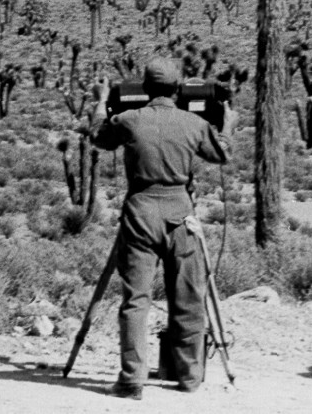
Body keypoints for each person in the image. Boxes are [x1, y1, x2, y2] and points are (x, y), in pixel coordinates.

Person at [91, 57, 236, 399]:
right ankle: (189, 376)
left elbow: (98, 135)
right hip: (180, 213)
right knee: (188, 296)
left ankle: (131, 380)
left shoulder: (129, 120)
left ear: (144, 87)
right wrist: (229, 124)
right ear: (178, 88)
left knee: (136, 300)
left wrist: (101, 101)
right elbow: (222, 154)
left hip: (140, 212)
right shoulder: (193, 123)